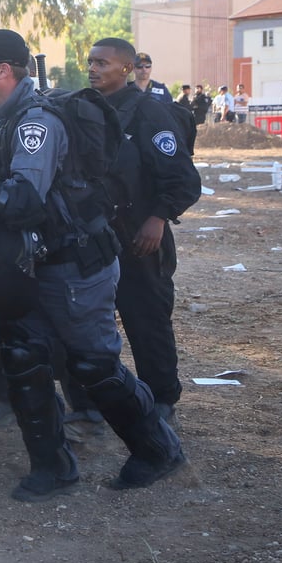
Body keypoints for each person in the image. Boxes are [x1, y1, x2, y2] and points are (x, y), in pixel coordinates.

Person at [0, 28, 186, 502]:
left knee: (94, 363)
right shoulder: (5, 120)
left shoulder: (36, 124)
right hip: (39, 263)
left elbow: (20, 202)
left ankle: (157, 449)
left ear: (3, 71)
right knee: (23, 355)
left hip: (76, 265)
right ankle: (52, 466)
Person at [82, 38, 201, 425]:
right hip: (97, 234)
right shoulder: (86, 108)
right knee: (94, 321)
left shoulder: (150, 113)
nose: (94, 68)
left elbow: (183, 179)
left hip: (140, 236)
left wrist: (159, 217)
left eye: (103, 63)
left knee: (146, 319)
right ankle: (103, 397)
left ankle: (162, 398)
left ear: (126, 69)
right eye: (90, 62)